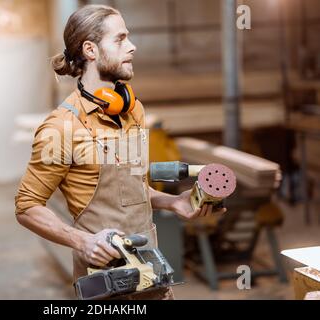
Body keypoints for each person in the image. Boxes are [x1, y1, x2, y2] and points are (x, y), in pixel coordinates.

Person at [15, 4, 226, 300]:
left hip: (152, 276)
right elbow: (27, 206)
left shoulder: (133, 111)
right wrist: (82, 241)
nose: (132, 46)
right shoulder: (62, 127)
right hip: (105, 285)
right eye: (120, 39)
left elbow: (131, 186)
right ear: (90, 49)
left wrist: (174, 202)